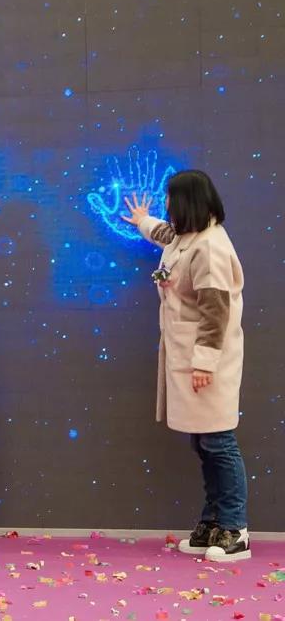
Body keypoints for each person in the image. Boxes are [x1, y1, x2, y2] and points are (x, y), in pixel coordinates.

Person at [123, 170, 249, 562]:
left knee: (219, 442)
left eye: (169, 197)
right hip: (189, 358)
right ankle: (212, 523)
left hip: (207, 361)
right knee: (203, 442)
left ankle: (235, 529)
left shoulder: (211, 247)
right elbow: (168, 237)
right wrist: (142, 221)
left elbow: (216, 311)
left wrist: (205, 363)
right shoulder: (190, 236)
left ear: (185, 201)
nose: (165, 203)